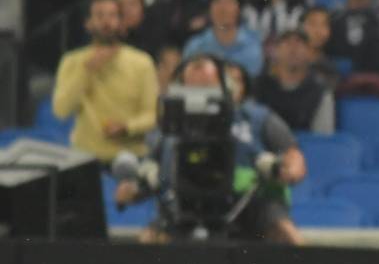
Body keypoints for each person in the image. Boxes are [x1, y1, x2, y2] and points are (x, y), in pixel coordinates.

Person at [116, 54, 306, 244]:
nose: (202, 92)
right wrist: (130, 190)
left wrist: (292, 168)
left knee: (283, 231)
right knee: (149, 240)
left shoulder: (257, 118)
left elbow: (291, 153)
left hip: (247, 202)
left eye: (209, 85)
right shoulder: (167, 129)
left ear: (227, 86)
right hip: (179, 205)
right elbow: (148, 173)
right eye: (193, 85)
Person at [51, 0, 159, 162]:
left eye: (112, 15)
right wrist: (86, 71)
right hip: (84, 157)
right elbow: (61, 110)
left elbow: (152, 114)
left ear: (122, 23)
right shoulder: (72, 61)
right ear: (88, 23)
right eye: (99, 15)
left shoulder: (142, 62)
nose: (106, 22)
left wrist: (127, 127)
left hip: (130, 157)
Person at [256, 28, 334, 133]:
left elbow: (322, 139)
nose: (293, 48)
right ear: (276, 51)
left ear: (310, 53)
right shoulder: (259, 86)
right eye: (287, 42)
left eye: (300, 43)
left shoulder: (320, 91)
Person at [184, 0, 266, 76]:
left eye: (229, 1)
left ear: (239, 9)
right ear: (209, 9)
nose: (223, 8)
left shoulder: (253, 42)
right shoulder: (196, 46)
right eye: (217, 1)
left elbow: (253, 75)